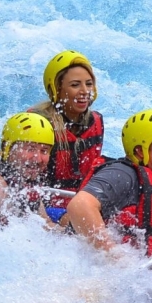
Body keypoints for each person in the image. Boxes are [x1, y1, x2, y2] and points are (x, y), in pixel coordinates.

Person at [60, 109, 152, 298]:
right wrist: (115, 256)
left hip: (142, 281)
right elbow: (79, 205)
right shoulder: (122, 175)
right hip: (109, 281)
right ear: (140, 151)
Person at [30, 50, 107, 205]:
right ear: (57, 89)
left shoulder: (96, 121)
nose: (85, 91)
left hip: (79, 205)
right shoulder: (38, 124)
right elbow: (25, 184)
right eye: (75, 85)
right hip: (43, 208)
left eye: (89, 84)